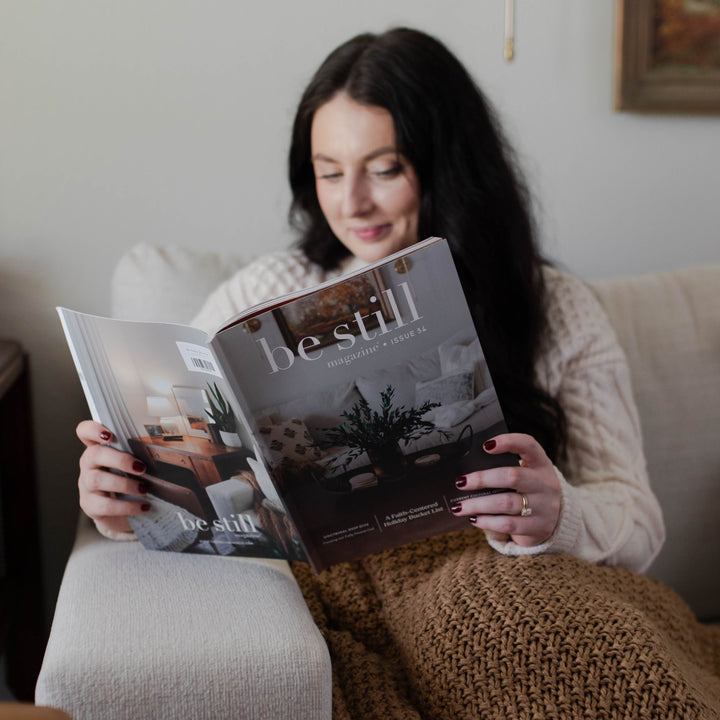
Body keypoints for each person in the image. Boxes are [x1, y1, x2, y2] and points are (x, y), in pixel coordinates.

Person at [75, 27, 720, 719]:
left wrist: (556, 511)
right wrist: (124, 496)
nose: (352, 203)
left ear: (448, 166)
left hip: (510, 575)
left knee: (509, 625)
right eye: (329, 171)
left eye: (383, 169)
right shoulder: (262, 295)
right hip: (351, 590)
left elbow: (639, 521)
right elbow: (181, 462)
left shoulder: (551, 306)